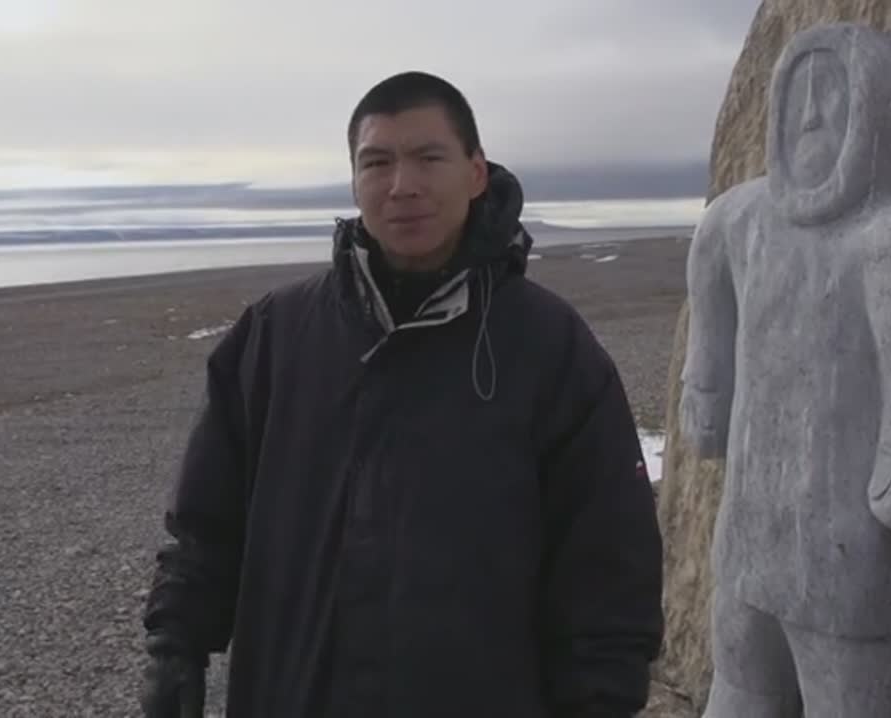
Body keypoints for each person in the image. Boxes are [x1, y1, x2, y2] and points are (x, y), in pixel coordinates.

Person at [139, 70, 665, 718]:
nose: (402, 185)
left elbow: (609, 559)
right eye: (377, 162)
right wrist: (175, 643)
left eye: (428, 158)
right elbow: (205, 521)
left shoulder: (550, 348)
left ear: (476, 173)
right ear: (354, 182)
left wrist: (601, 698)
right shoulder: (276, 336)